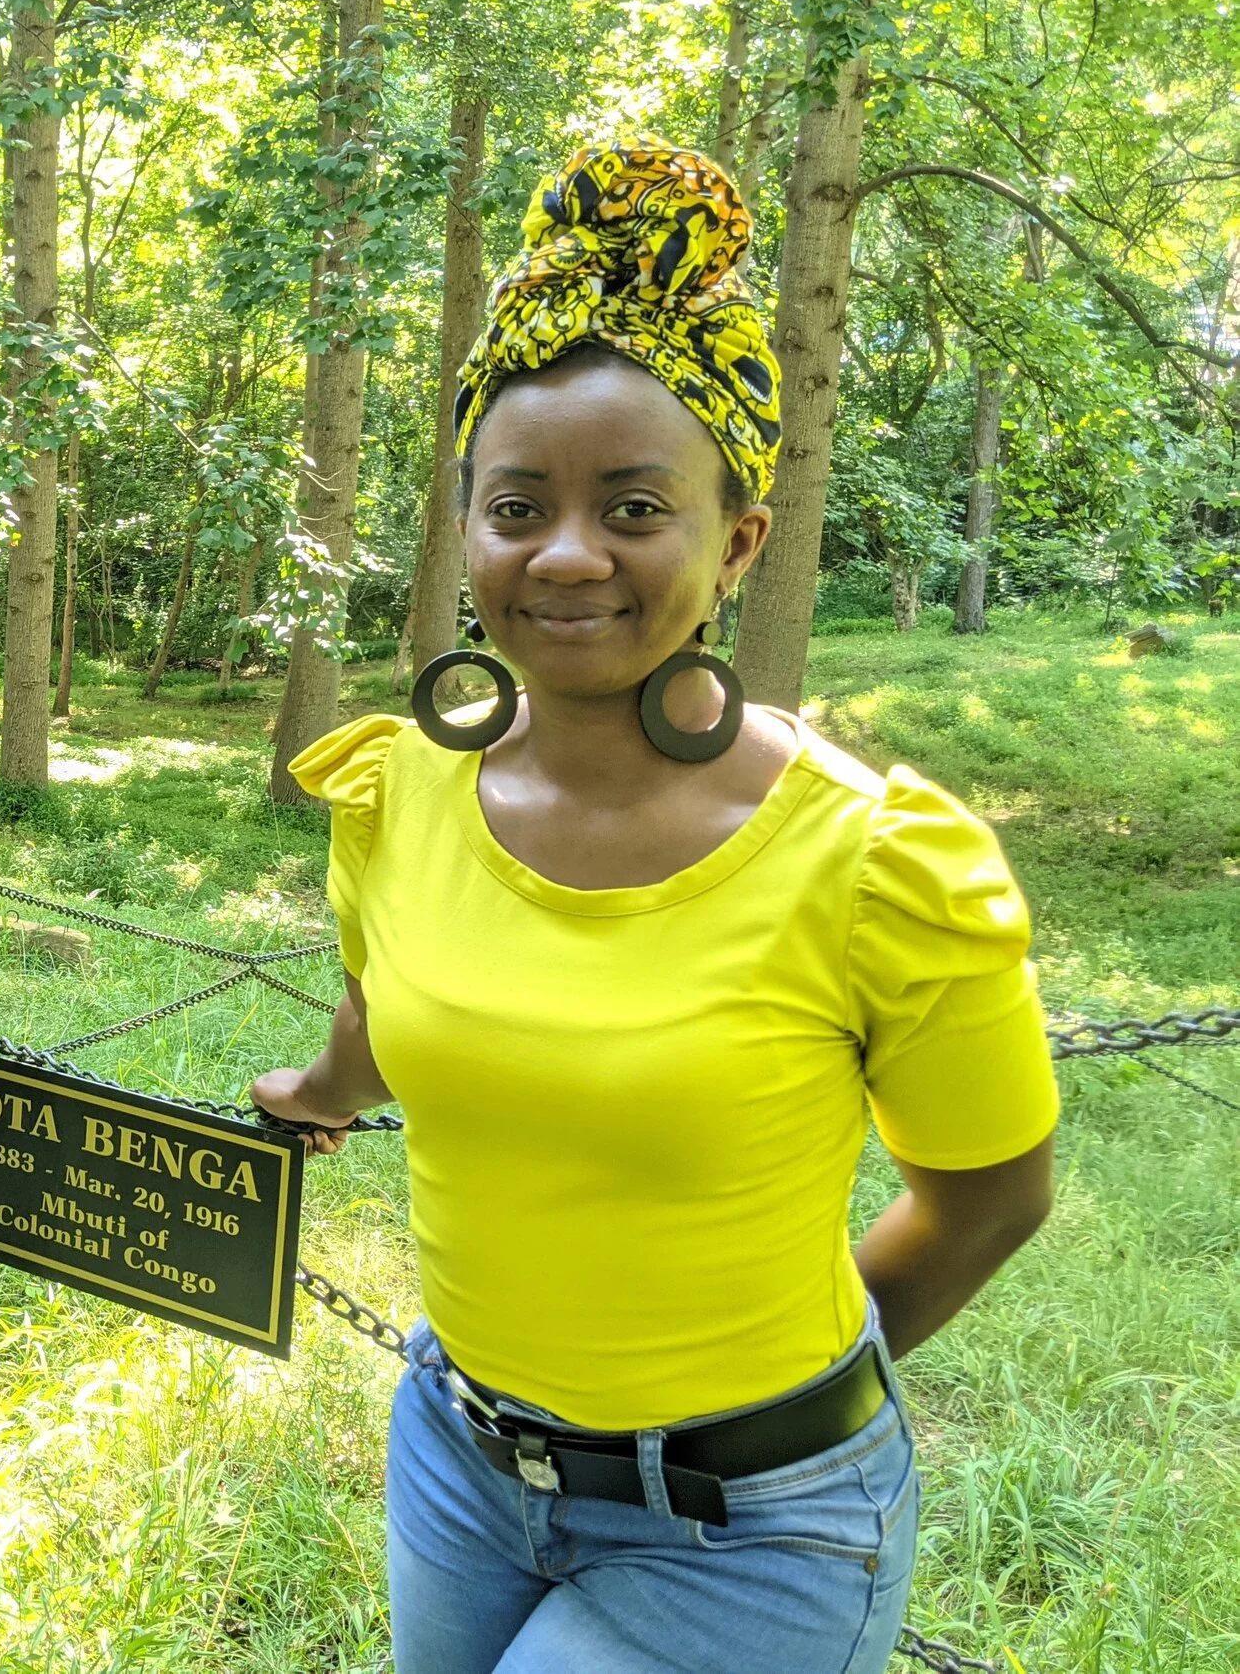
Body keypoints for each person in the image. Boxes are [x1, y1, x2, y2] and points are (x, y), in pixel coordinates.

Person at [249, 145, 1058, 1674]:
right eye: (517, 506)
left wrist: (751, 1419)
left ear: (736, 538)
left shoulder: (876, 862)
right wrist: (322, 1089)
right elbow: (386, 991)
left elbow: (990, 1200)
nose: (567, 553)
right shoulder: (400, 792)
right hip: (459, 1462)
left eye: (633, 506)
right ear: (466, 529)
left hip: (748, 1529)